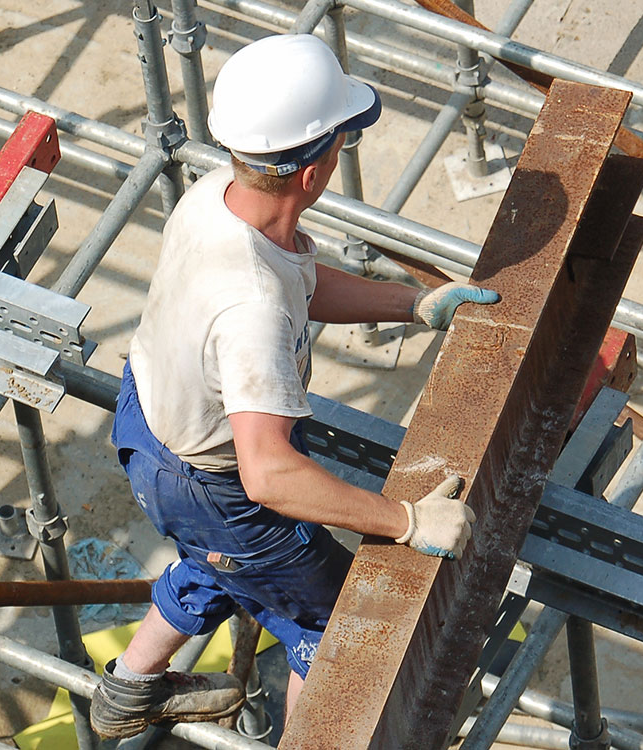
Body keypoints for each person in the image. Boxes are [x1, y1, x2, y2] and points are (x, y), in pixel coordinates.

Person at [90, 33, 499, 740]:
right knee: (337, 619)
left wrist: (411, 305)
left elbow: (296, 283)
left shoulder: (217, 197)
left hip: (152, 421)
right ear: (313, 170)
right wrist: (405, 521)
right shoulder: (250, 305)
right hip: (217, 480)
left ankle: (132, 686)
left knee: (226, 557)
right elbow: (271, 477)